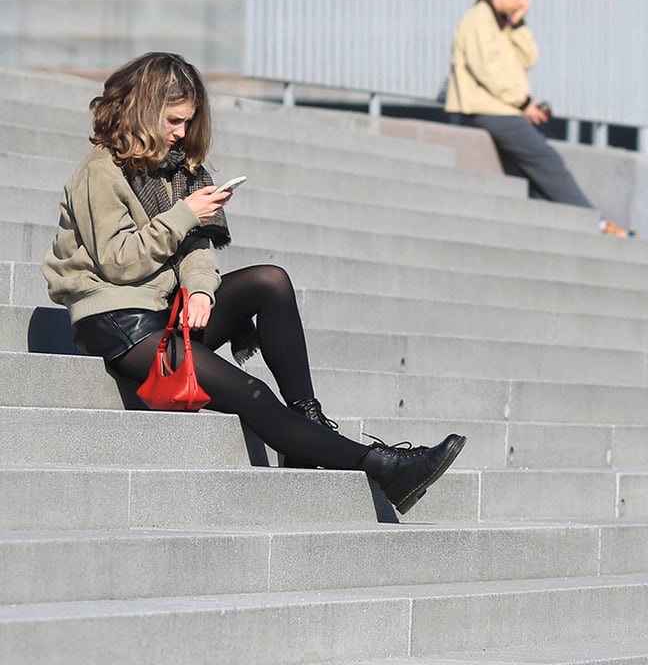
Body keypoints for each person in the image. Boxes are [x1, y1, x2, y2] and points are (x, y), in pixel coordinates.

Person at [42, 52, 466, 516]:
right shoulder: (101, 170)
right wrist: (186, 215)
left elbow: (197, 248)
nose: (181, 132)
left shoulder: (178, 167)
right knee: (250, 393)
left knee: (271, 282)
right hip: (122, 323)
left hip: (165, 306)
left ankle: (309, 424)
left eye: (188, 121)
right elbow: (119, 262)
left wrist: (201, 288)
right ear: (144, 109)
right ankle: (382, 467)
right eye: (174, 120)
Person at [444, 0, 631, 237]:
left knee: (528, 174)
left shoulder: (503, 24)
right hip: (487, 110)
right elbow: (488, 70)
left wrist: (517, 24)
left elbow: (530, 58)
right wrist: (523, 103)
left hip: (505, 110)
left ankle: (573, 225)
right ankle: (596, 223)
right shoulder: (478, 19)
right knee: (546, 159)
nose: (525, 2)